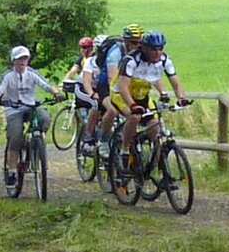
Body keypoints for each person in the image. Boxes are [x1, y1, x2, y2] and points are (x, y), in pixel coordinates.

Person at [111, 30, 188, 166]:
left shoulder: (164, 60)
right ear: (144, 48)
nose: (158, 53)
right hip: (121, 95)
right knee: (134, 117)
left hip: (141, 95)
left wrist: (181, 98)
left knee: (154, 125)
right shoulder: (131, 60)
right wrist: (132, 105)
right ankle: (125, 149)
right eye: (153, 49)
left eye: (160, 49)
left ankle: (155, 163)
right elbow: (122, 87)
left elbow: (175, 82)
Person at [0, 45, 65, 187]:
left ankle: (34, 143)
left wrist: (56, 93)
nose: (22, 62)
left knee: (44, 118)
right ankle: (12, 171)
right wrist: (2, 98)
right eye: (19, 59)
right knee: (15, 136)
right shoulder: (7, 76)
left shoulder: (32, 73)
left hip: (31, 106)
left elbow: (46, 85)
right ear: (13, 61)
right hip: (14, 109)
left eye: (25, 58)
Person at [96, 23, 145, 158]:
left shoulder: (139, 54)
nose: (138, 46)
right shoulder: (115, 53)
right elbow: (112, 78)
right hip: (107, 86)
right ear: (126, 41)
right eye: (134, 43)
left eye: (141, 43)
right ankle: (103, 141)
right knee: (112, 110)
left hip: (126, 86)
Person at [79, 34, 108, 151]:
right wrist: (92, 94)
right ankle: (88, 133)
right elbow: (86, 82)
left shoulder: (113, 61)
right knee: (95, 104)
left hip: (103, 89)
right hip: (85, 88)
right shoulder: (91, 61)